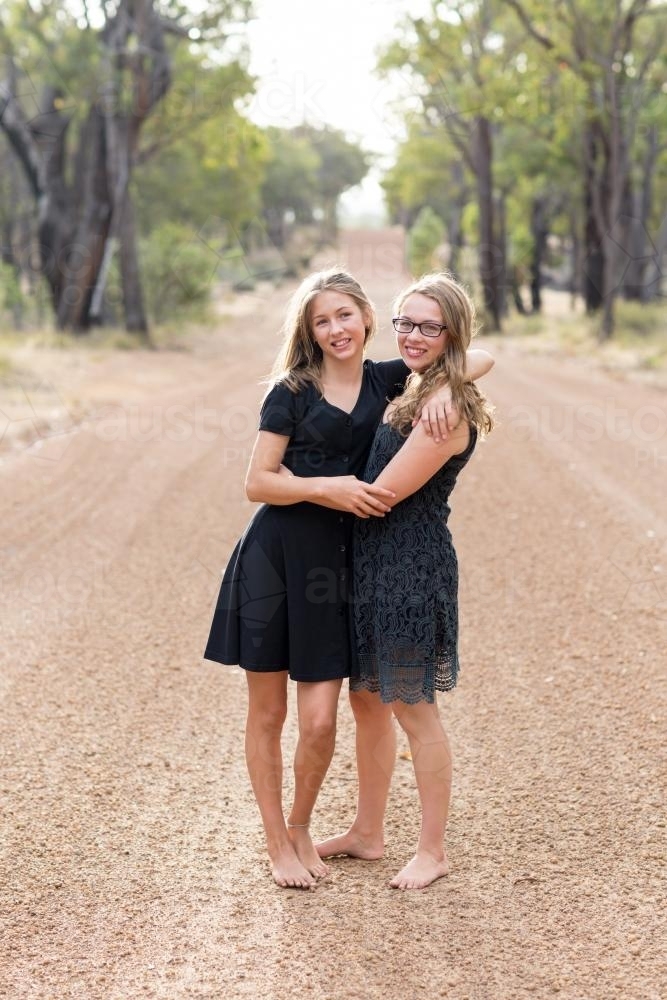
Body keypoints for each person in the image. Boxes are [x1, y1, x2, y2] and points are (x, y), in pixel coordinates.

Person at [204, 268, 493, 889]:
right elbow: (257, 481)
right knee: (305, 710)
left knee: (346, 716)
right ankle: (308, 837)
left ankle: (358, 835)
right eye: (321, 320)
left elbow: (475, 351)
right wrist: (328, 487)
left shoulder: (393, 381)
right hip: (288, 558)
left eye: (345, 315)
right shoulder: (294, 389)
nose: (336, 329)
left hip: (366, 566)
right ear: (309, 331)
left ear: (364, 318)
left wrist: (450, 381)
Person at [317, 272, 495, 890]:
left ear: (451, 333)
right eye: (404, 323)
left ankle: (433, 850)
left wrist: (300, 489)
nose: (413, 336)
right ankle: (368, 833)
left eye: (429, 326)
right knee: (368, 699)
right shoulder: (425, 387)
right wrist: (449, 373)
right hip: (373, 565)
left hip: (408, 570)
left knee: (414, 709)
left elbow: (383, 495)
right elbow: (482, 355)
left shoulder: (443, 414)